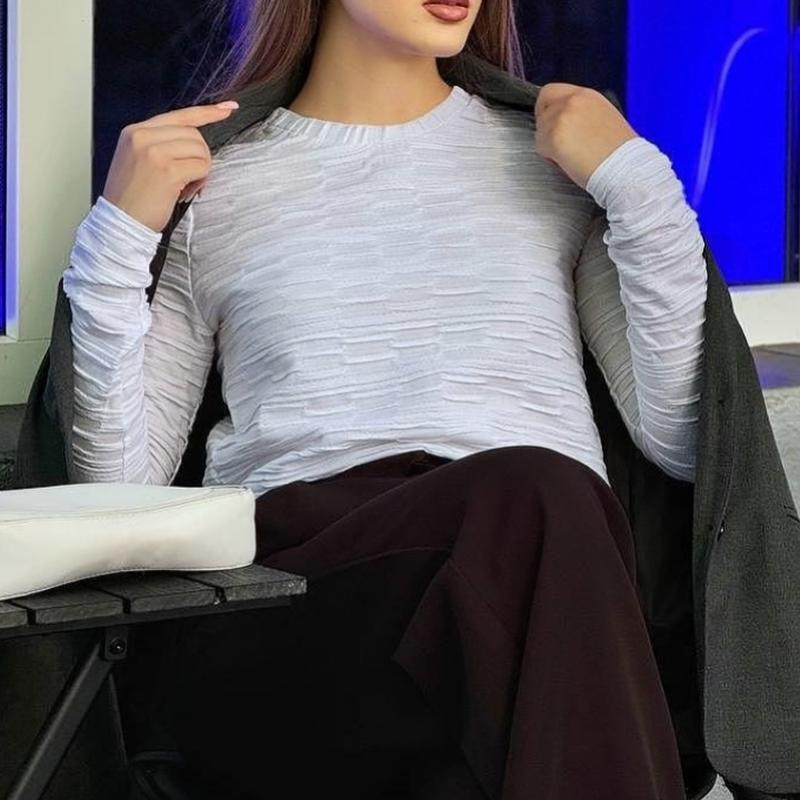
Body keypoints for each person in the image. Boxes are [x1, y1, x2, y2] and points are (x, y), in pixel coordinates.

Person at [62, 0, 710, 797]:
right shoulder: (215, 186)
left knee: (540, 536)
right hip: (296, 602)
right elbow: (114, 490)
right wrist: (121, 232)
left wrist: (637, 179)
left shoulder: (561, 168)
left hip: (529, 589)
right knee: (539, 496)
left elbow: (686, 439)